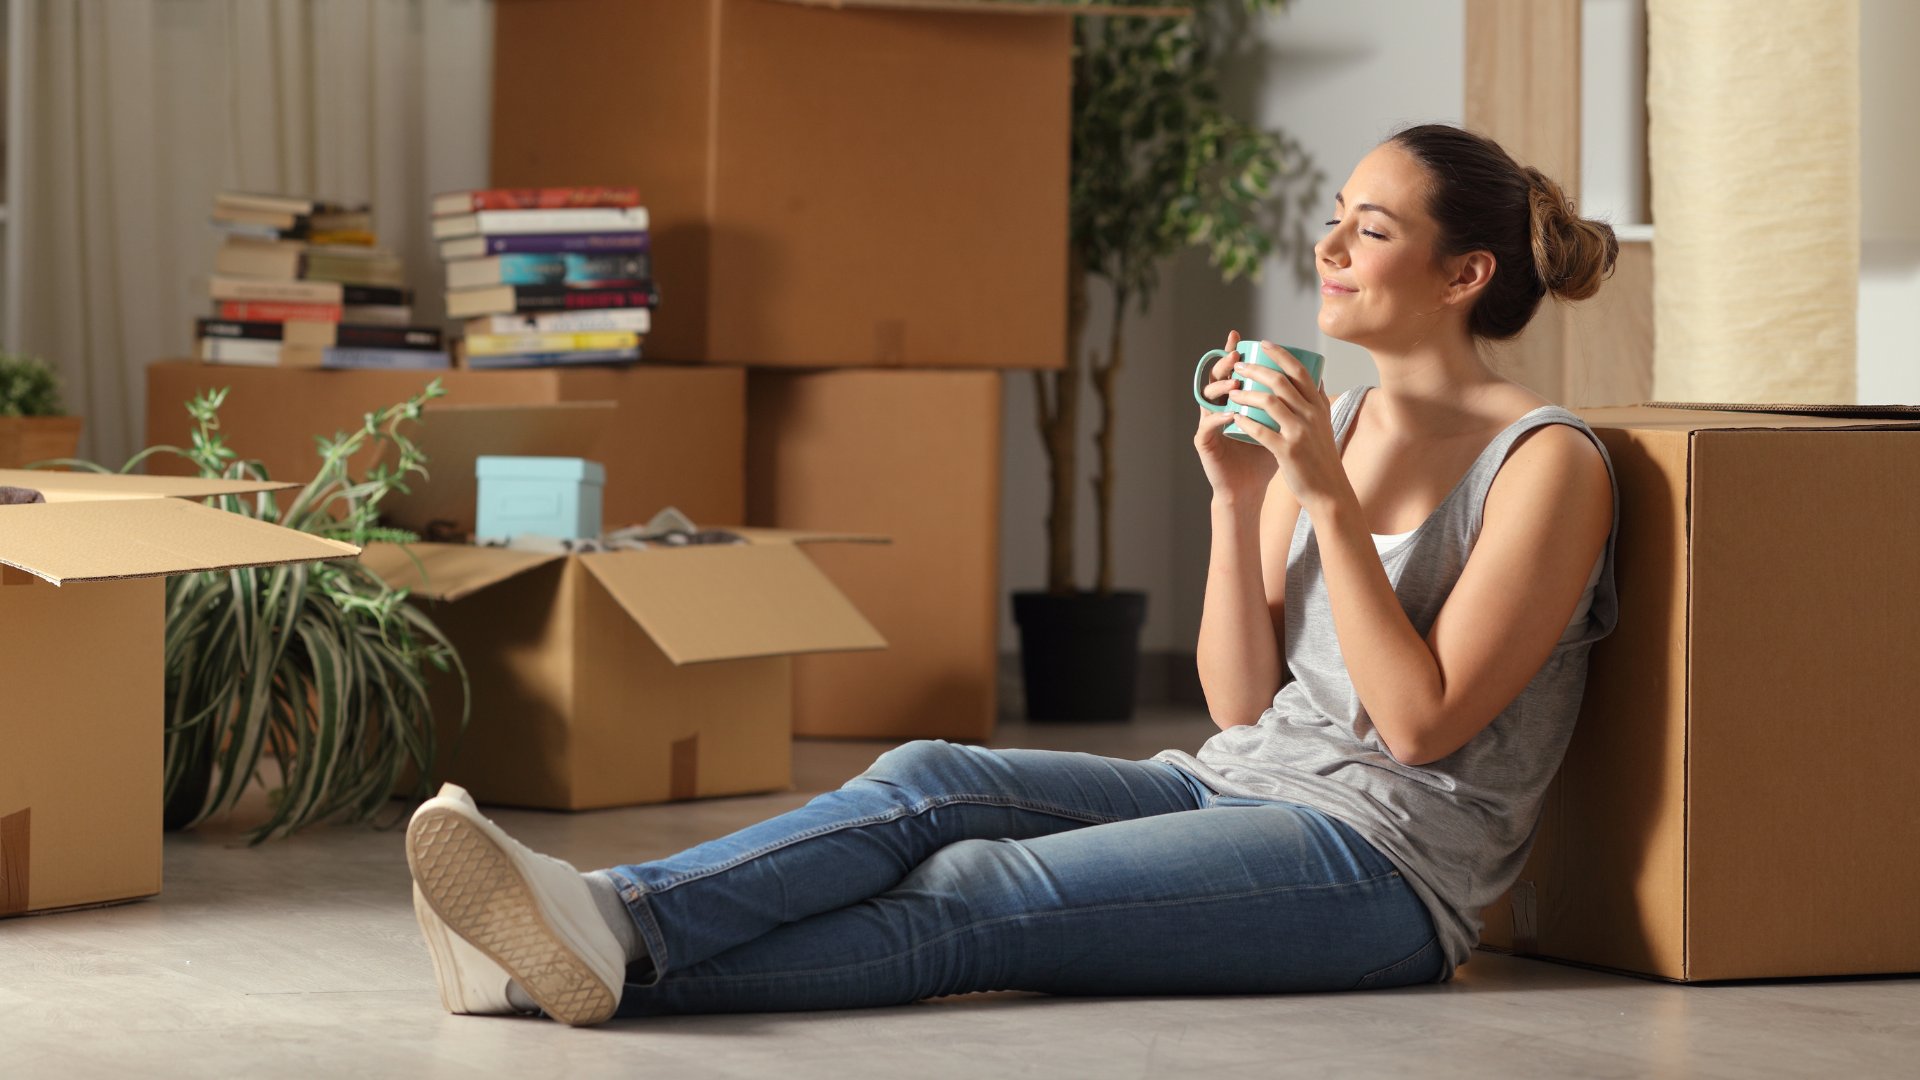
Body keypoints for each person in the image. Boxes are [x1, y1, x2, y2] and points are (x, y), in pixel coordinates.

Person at [403, 123, 1620, 1027]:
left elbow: (1414, 726)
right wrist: (1236, 498)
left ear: (1464, 276)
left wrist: (1322, 499)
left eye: (1374, 227)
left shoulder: (1547, 464)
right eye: (1339, 213)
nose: (1330, 244)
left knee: (977, 893)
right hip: (1235, 786)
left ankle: (543, 965)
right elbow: (1239, 707)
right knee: (932, 780)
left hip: (1385, 870)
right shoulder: (1339, 425)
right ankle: (601, 919)